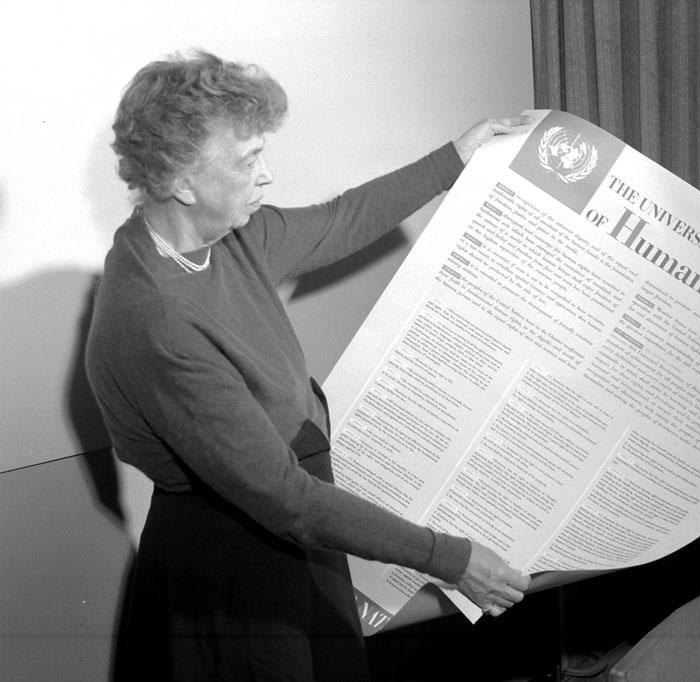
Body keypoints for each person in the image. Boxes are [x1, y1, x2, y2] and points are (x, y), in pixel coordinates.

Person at [85, 49, 531, 681]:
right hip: (234, 566)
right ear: (183, 183)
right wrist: (451, 560)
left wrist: (454, 158)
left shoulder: (226, 237)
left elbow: (339, 221)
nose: (265, 175)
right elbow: (286, 499)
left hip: (293, 524)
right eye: (247, 161)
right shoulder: (155, 317)